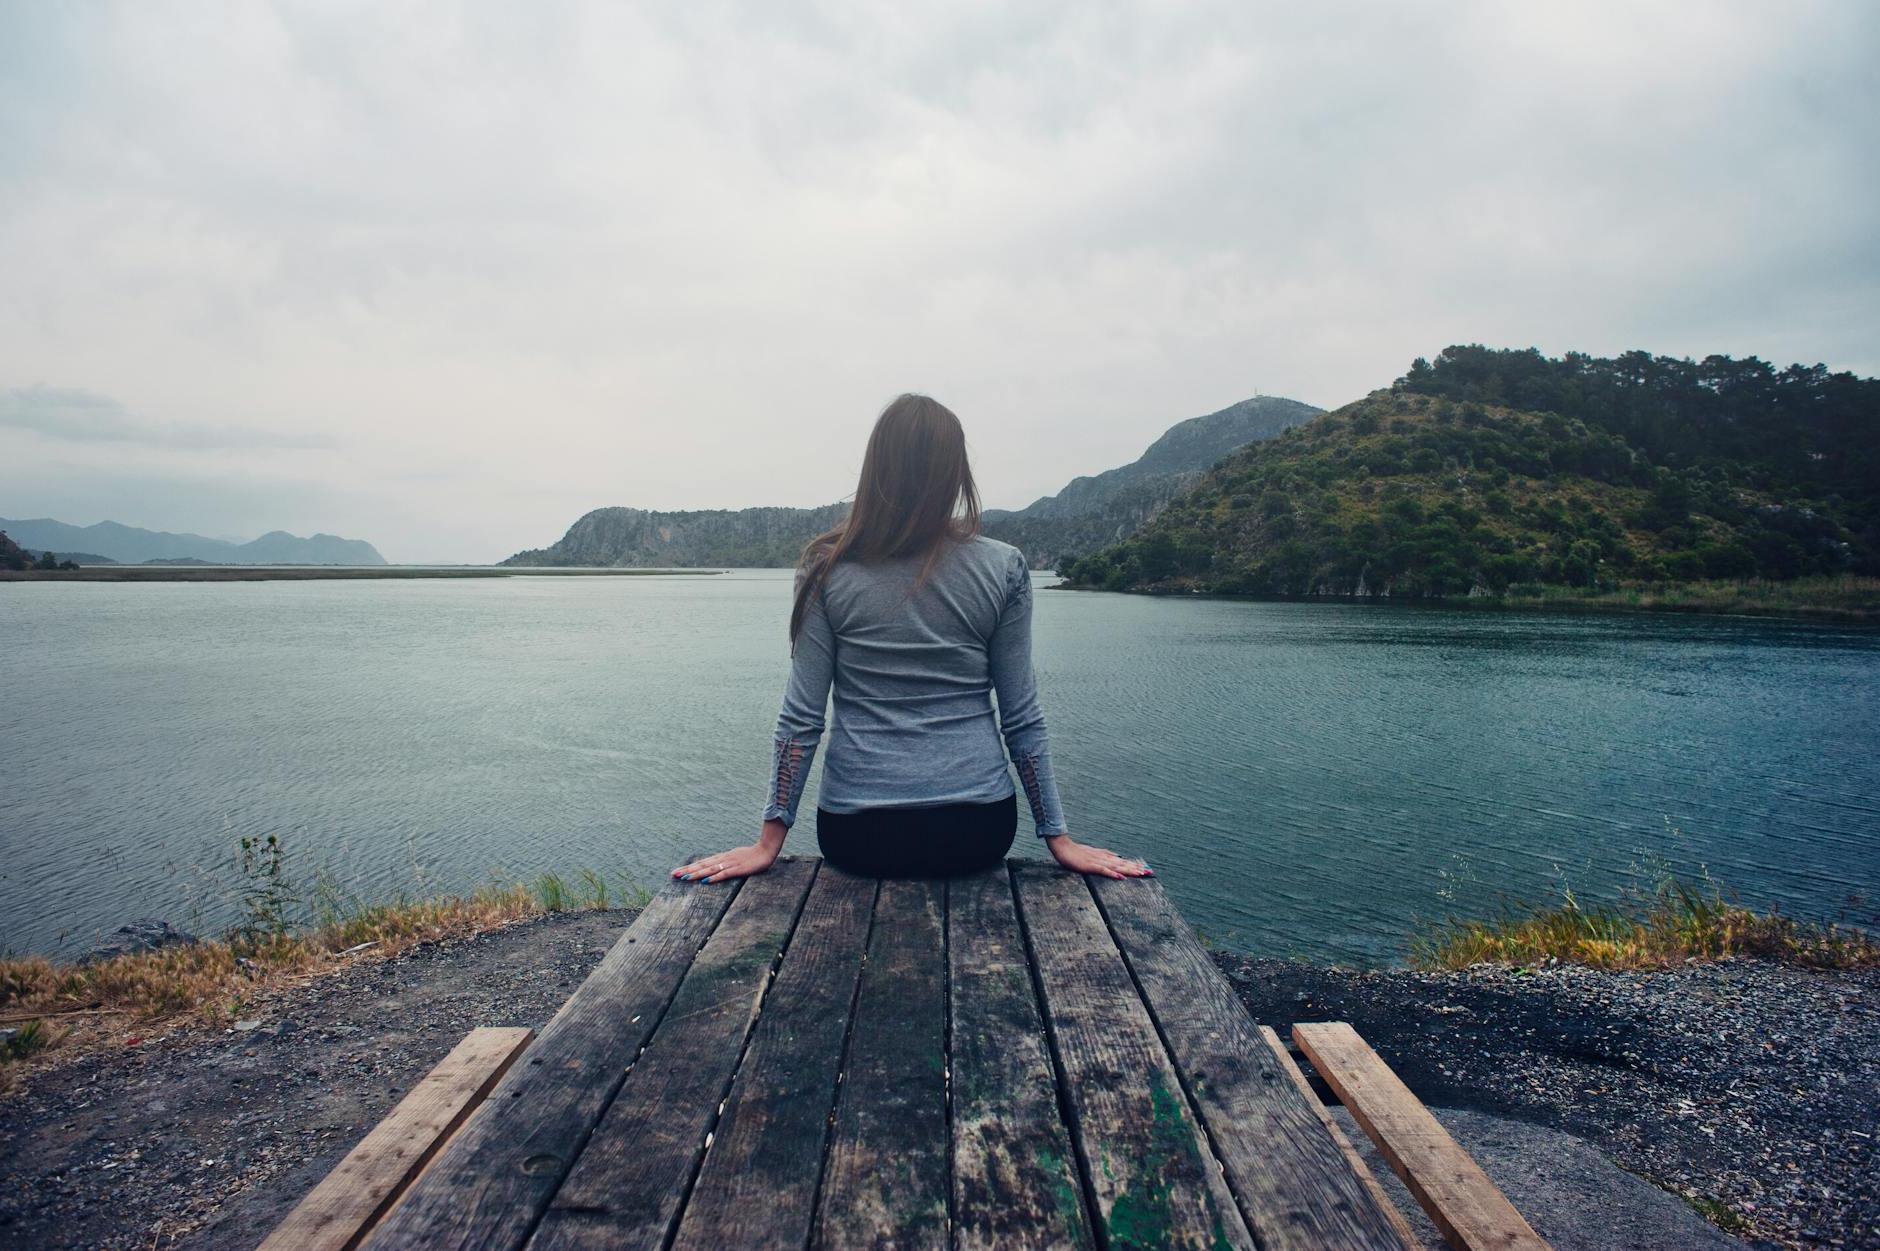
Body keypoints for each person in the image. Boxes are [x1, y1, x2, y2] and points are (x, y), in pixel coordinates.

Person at [672, 393, 1152, 884]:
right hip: (979, 831)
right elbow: (1021, 714)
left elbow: (801, 717)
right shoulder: (1003, 567)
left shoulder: (826, 570)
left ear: (876, 468)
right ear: (955, 472)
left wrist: (768, 842)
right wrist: (1059, 837)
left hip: (857, 836)